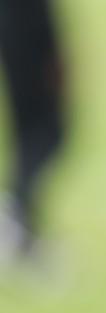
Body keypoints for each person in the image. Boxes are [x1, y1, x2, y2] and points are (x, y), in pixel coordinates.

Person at [0, 0, 67, 266]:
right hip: (25, 31)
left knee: (34, 134)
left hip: (20, 27)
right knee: (46, 133)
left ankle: (21, 222)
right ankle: (14, 216)